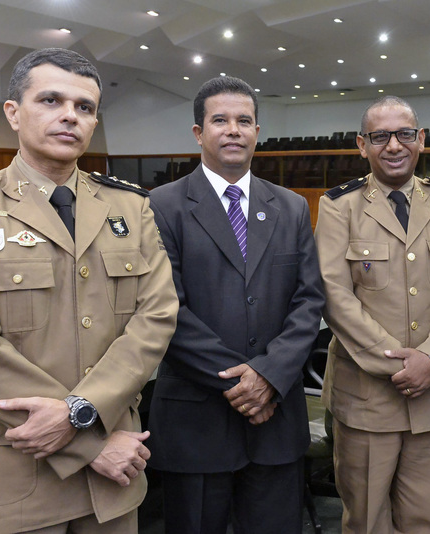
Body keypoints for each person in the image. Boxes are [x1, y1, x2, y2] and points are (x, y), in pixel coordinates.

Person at [0, 48, 178, 534]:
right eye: (50, 100)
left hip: (112, 486)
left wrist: (82, 412)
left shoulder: (130, 206)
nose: (70, 115)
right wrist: (90, 441)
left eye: (85, 107)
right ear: (13, 113)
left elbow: (156, 317)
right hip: (16, 474)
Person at [146, 76, 325, 534]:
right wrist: (243, 384)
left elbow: (309, 301)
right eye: (219, 120)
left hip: (275, 419)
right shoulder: (160, 206)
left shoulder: (290, 207)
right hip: (197, 420)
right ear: (198, 132)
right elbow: (164, 308)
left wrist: (269, 376)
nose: (233, 130)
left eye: (244, 121)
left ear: (257, 132)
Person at [314, 96, 430, 534]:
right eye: (380, 136)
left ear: (420, 139)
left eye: (404, 134)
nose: (393, 145)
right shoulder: (339, 206)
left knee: (425, 520)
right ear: (361, 145)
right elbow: (334, 295)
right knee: (366, 520)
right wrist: (399, 363)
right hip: (365, 400)